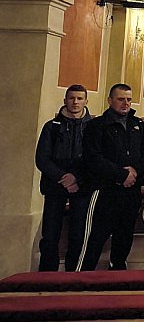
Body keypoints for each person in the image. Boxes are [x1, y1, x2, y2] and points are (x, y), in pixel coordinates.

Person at [77, 83, 144, 271]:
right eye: (121, 99)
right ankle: (80, 280)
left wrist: (135, 170)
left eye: (129, 99)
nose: (126, 103)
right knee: (95, 238)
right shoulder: (96, 126)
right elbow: (93, 158)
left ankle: (117, 274)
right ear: (110, 100)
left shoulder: (137, 125)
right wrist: (121, 175)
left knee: (125, 235)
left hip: (131, 192)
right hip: (105, 191)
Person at [35, 85, 93, 272]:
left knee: (78, 235)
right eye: (71, 98)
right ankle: (46, 277)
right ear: (65, 100)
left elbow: (95, 158)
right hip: (55, 187)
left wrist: (76, 178)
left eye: (79, 98)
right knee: (50, 235)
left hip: (82, 187)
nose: (75, 102)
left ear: (86, 101)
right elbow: (42, 158)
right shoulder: (51, 127)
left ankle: (73, 276)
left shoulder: (93, 127)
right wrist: (64, 178)